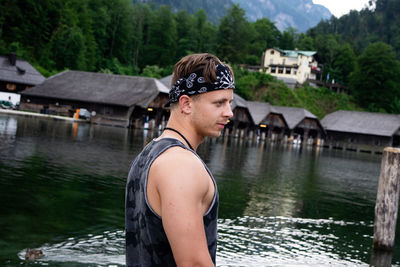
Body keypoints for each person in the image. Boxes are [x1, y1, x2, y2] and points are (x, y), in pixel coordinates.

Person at [125, 53, 234, 267]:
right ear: (186, 104)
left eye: (229, 103)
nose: (229, 112)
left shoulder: (148, 154)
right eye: (219, 103)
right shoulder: (182, 165)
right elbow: (194, 263)